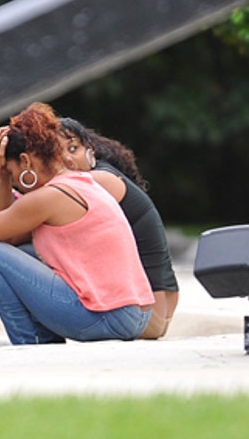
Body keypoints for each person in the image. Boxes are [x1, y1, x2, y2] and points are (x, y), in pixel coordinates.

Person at [0, 102, 154, 345]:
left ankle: (32, 346)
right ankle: (42, 341)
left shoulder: (50, 196)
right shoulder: (78, 182)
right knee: (20, 252)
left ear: (26, 161)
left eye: (13, 176)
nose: (16, 183)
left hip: (110, 317)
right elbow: (8, 238)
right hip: (136, 314)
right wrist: (4, 172)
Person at [58, 117, 179, 339]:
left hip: (148, 312)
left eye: (73, 148)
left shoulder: (97, 181)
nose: (66, 158)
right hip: (152, 307)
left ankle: (37, 342)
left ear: (89, 150)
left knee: (15, 253)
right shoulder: (101, 176)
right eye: (54, 154)